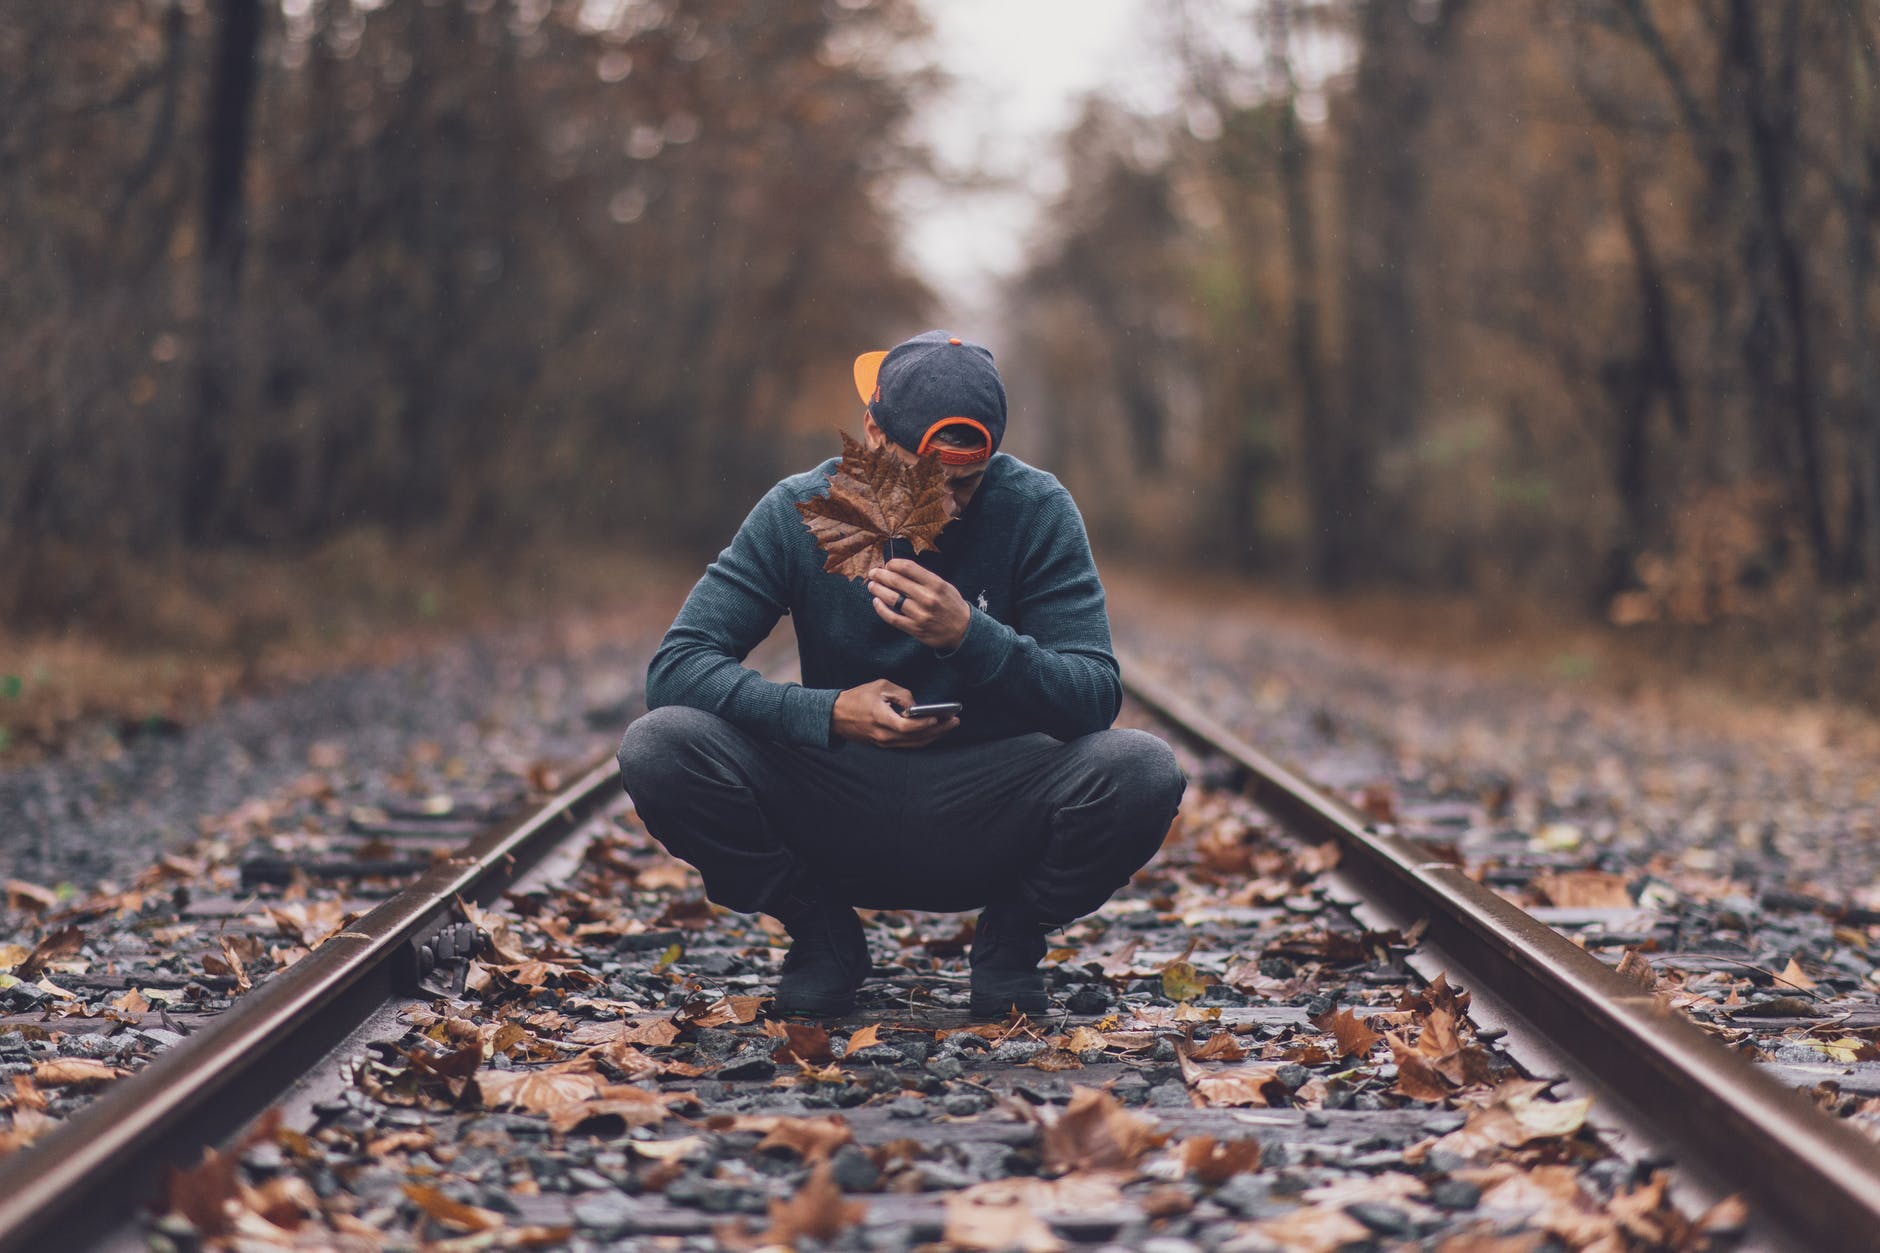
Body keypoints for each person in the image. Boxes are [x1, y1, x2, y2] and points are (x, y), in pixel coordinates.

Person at [616, 330, 1186, 1017]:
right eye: (921, 481)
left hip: (990, 804)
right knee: (658, 745)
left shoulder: (1035, 508)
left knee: (1145, 769)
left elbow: (1094, 696)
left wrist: (972, 637)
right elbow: (677, 668)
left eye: (965, 485)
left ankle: (1009, 940)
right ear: (872, 433)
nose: (943, 506)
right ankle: (823, 934)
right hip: (836, 799)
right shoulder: (800, 508)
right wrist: (828, 712)